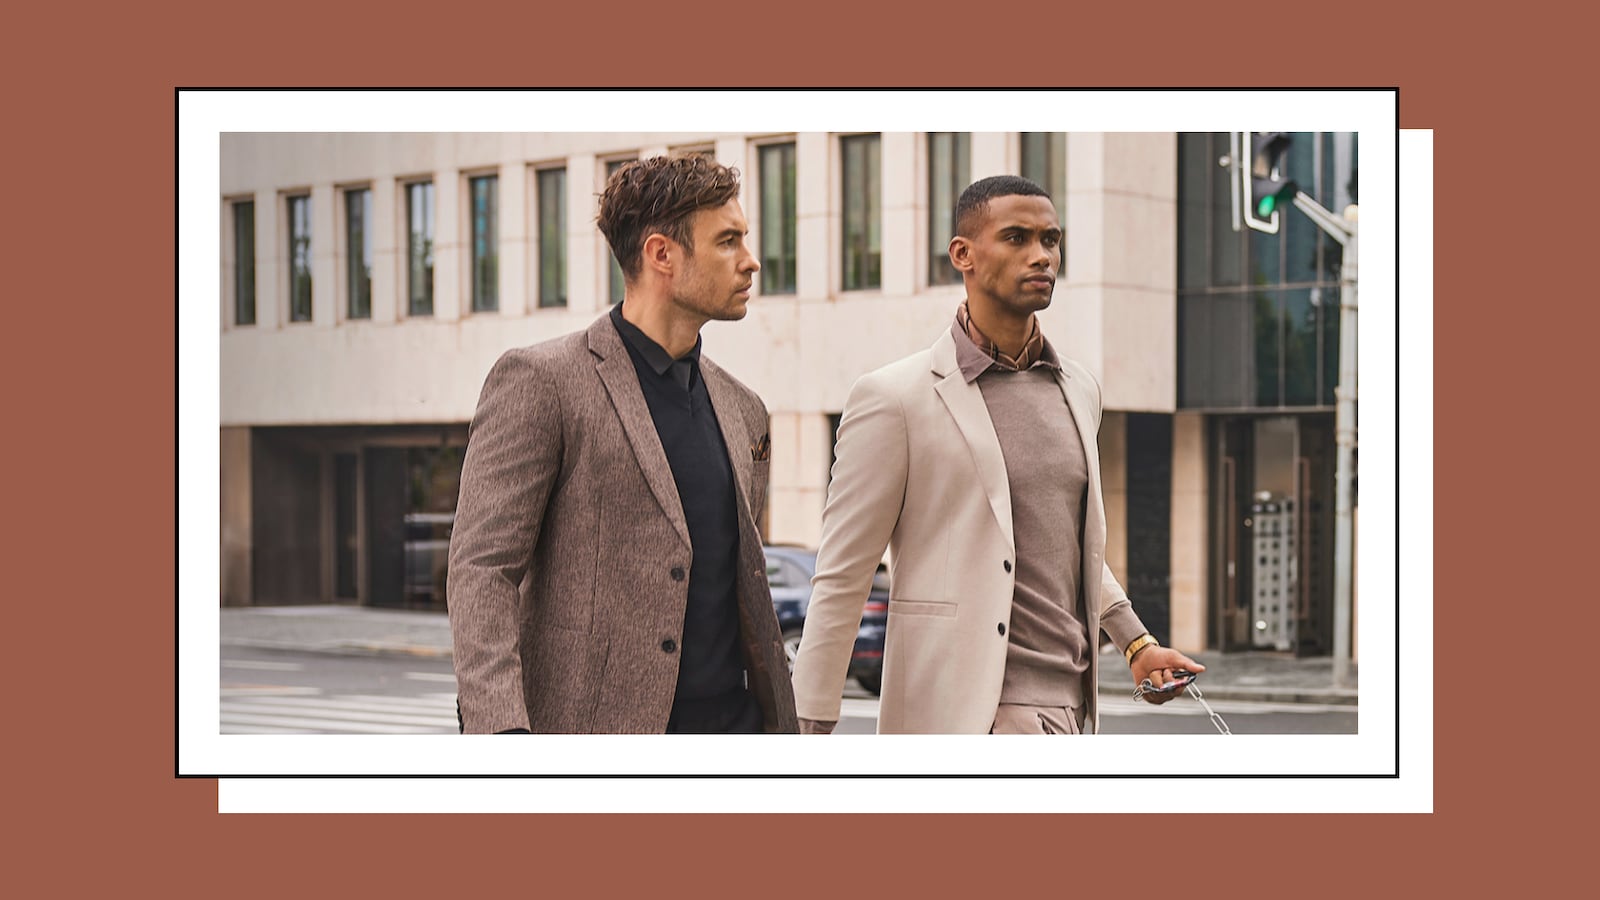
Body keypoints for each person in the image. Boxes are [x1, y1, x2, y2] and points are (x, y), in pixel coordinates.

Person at [791, 175, 1202, 735]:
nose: (1041, 256)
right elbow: (843, 573)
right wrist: (807, 723)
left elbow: (1068, 539)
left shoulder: (1078, 389)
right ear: (963, 254)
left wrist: (1136, 644)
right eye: (1016, 238)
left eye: (1051, 240)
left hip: (1074, 709)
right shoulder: (894, 398)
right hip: (969, 714)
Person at [448, 154, 798, 734]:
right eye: (728, 242)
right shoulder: (542, 381)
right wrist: (502, 733)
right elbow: (482, 569)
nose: (751, 262)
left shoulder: (745, 409)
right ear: (662, 254)